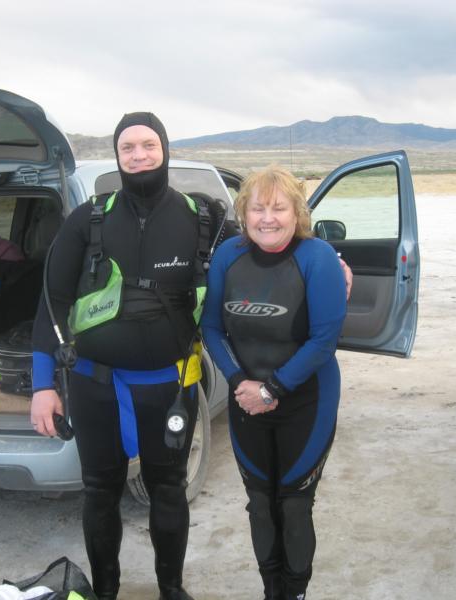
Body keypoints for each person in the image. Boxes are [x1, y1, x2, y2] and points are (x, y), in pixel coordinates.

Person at [30, 112, 214, 600]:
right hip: (96, 386)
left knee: (168, 489)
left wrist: (325, 260)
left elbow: (265, 247)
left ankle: (171, 589)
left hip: (168, 388)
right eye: (127, 147)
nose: (138, 155)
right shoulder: (89, 218)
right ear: (117, 155)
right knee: (100, 491)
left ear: (165, 148)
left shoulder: (201, 216)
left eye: (147, 144)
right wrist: (43, 385)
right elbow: (51, 301)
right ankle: (107, 592)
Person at [200, 165, 348, 600]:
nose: (268, 218)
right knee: (261, 506)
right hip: (247, 398)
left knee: (295, 505)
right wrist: (240, 382)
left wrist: (273, 389)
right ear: (244, 213)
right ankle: (272, 592)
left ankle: (295, 594)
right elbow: (211, 328)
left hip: (307, 400)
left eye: (279, 208)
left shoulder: (317, 258)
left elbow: (324, 340)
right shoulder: (228, 255)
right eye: (258, 208)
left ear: (296, 213)